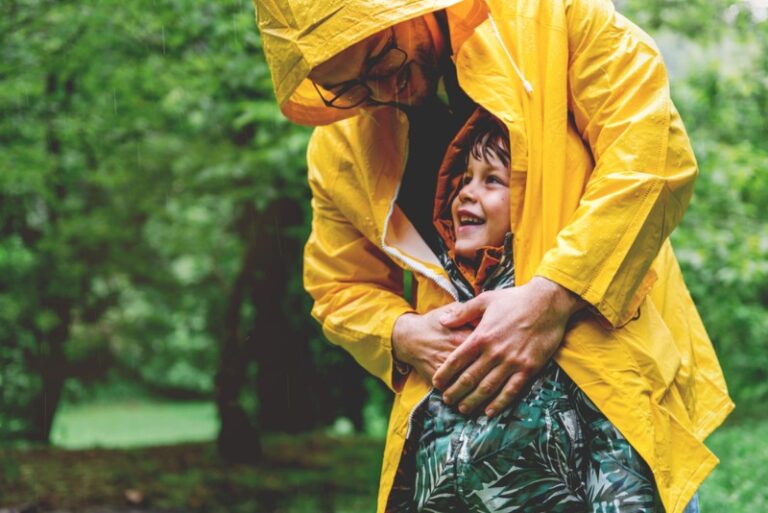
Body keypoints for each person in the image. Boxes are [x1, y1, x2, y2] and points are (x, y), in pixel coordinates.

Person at [253, 1, 734, 512]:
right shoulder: (340, 148)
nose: (378, 91)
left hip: (611, 418)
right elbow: (338, 286)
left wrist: (553, 298)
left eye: (380, 59)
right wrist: (401, 333)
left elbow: (651, 157)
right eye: (345, 88)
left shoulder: (550, 16)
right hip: (455, 457)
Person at [385, 107, 663, 512]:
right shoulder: (440, 311)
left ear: (531, 203)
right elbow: (417, 456)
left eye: (491, 180)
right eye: (463, 180)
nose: (465, 192)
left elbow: (618, 459)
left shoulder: (567, 317)